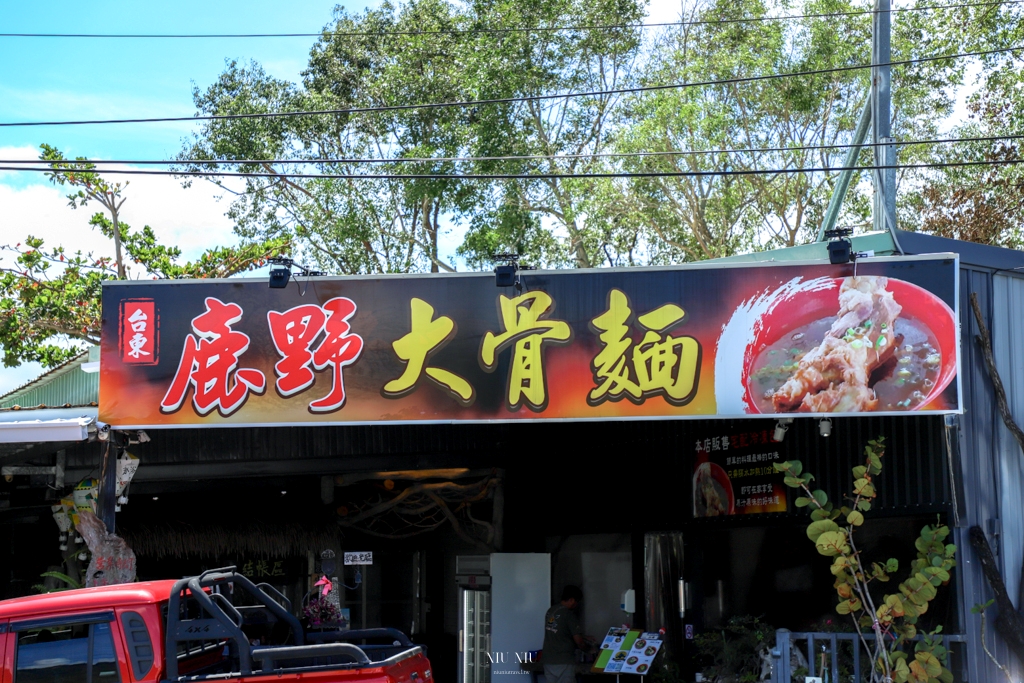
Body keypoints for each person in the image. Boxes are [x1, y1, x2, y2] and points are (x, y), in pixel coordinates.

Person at [542, 585, 585, 683]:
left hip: (548, 660)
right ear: (572, 600)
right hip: (564, 661)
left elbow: (560, 630)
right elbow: (579, 641)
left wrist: (585, 636)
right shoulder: (569, 615)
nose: (576, 605)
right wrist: (588, 649)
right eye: (576, 602)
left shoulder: (551, 611)